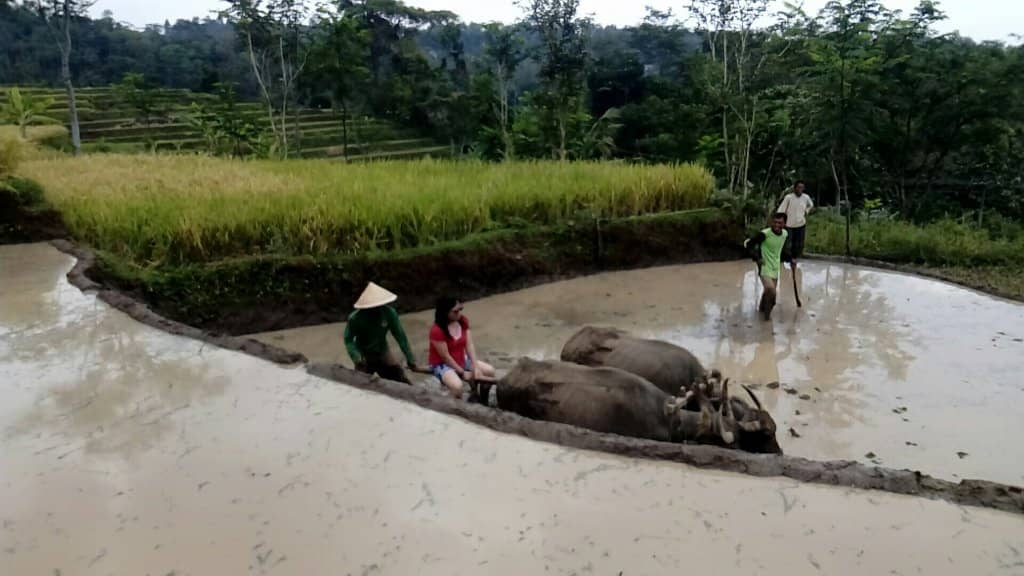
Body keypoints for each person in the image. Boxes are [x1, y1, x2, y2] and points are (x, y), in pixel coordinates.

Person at [343, 282, 420, 384]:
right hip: (363, 353)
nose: (376, 308)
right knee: (361, 383)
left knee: (400, 377)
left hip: (382, 350)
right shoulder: (355, 318)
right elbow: (348, 339)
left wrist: (410, 358)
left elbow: (400, 336)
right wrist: (356, 356)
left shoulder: (389, 313)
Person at [428, 296, 496, 402]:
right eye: (455, 311)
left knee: (490, 372)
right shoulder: (437, 330)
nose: (459, 313)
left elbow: (469, 345)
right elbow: (445, 357)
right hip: (442, 364)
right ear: (445, 312)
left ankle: (482, 399)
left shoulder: (463, 321)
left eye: (460, 309)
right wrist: (462, 372)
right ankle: (457, 407)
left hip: (460, 358)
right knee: (457, 386)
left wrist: (476, 367)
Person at [744, 213, 789, 321]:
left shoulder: (785, 234)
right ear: (771, 222)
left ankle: (761, 310)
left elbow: (781, 249)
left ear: (785, 224)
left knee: (767, 292)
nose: (777, 225)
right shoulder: (764, 234)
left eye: (780, 223)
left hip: (775, 266)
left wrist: (791, 259)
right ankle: (766, 319)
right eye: (775, 222)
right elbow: (748, 244)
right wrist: (757, 258)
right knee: (771, 291)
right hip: (764, 265)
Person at [777, 180, 815, 266]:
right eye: (798, 187)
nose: (800, 189)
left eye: (802, 188)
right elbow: (781, 210)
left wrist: (806, 211)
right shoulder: (788, 197)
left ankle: (794, 259)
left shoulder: (806, 197)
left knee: (799, 243)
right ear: (794, 188)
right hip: (789, 224)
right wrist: (781, 222)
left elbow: (811, 205)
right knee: (787, 243)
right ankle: (783, 259)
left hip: (800, 224)